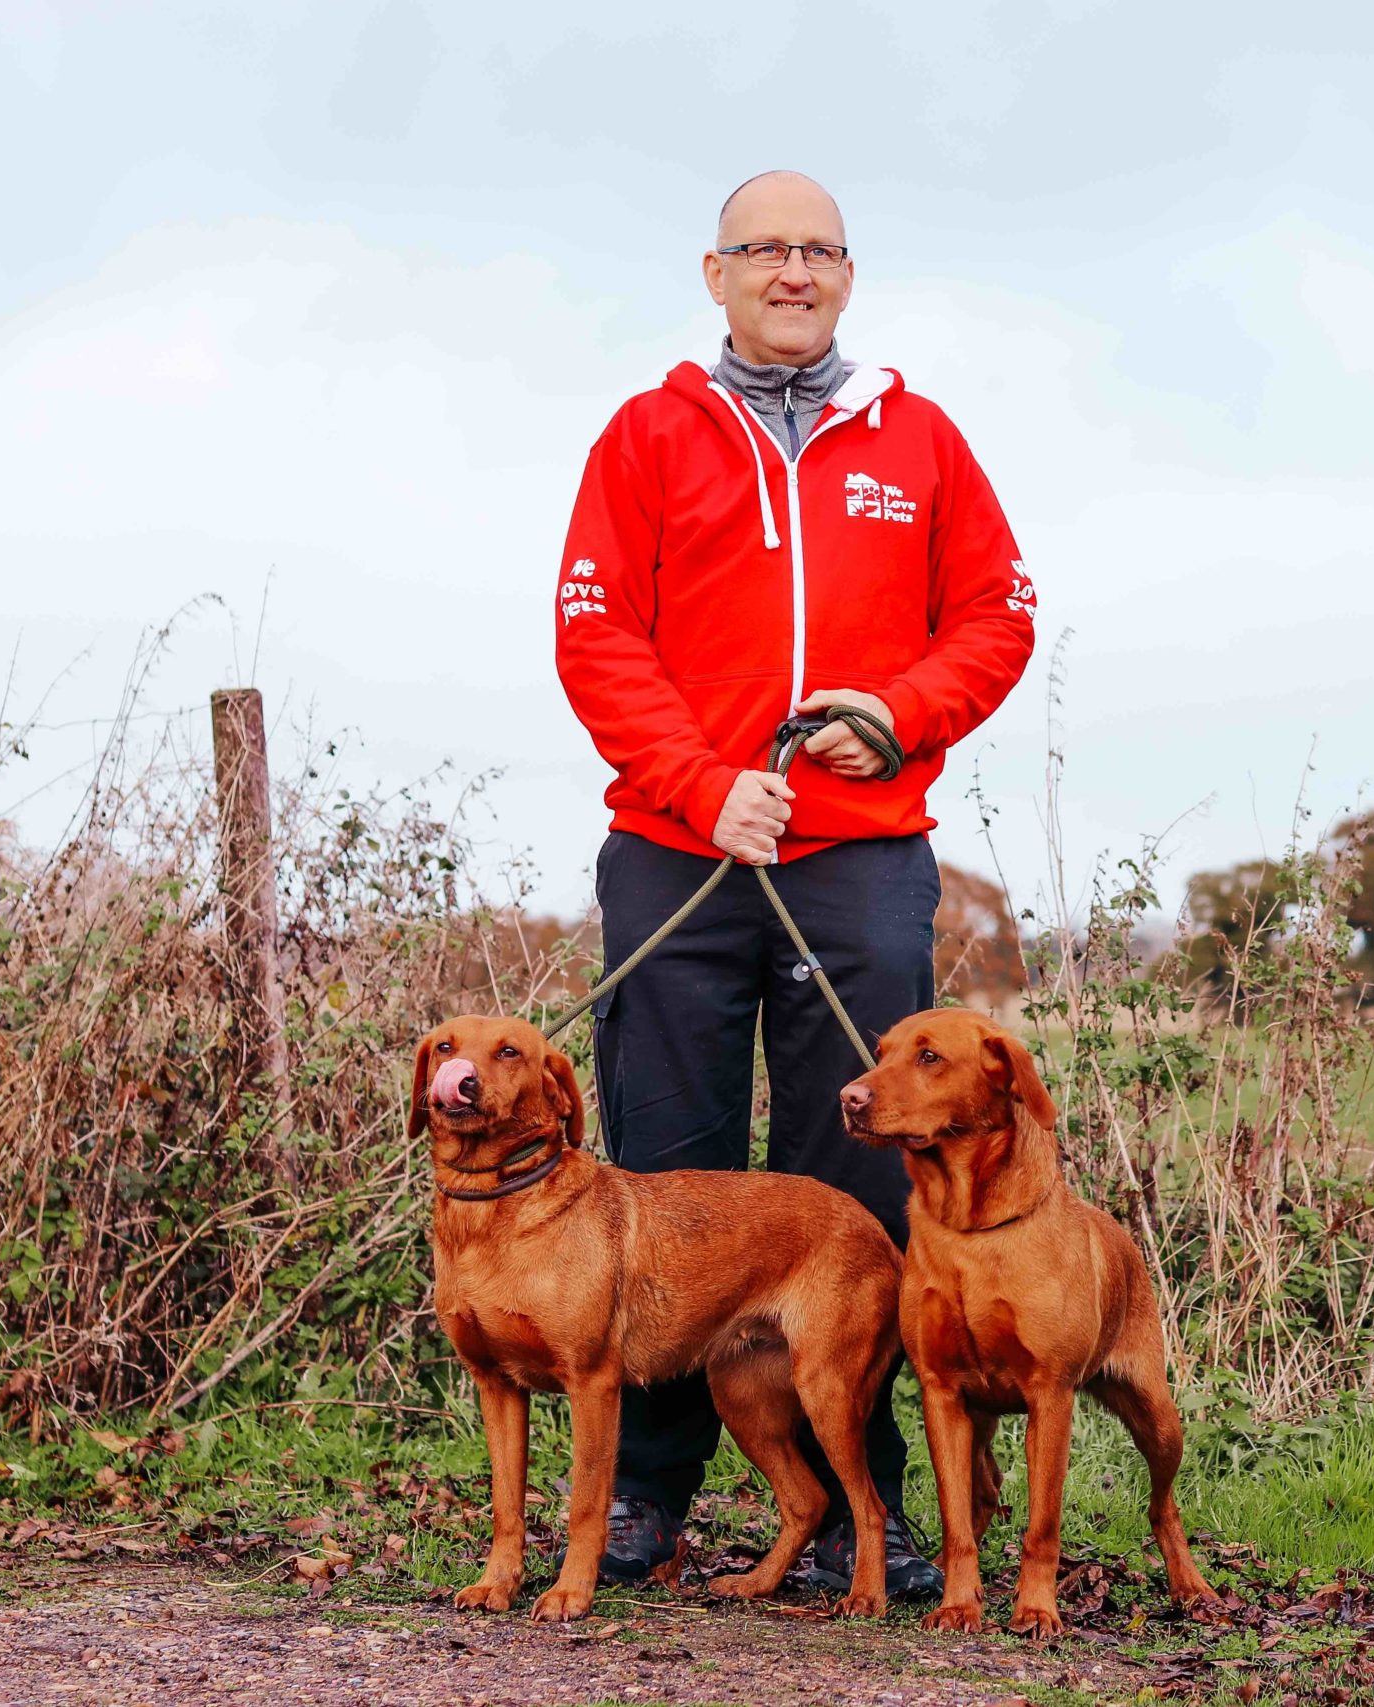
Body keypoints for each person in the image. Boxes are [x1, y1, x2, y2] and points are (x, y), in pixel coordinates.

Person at [553, 170, 1036, 1595]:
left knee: (856, 1176)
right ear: (714, 273)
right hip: (677, 859)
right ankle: (644, 1497)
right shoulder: (647, 436)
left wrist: (897, 712)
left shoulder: (921, 438)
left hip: (862, 868)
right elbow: (596, 637)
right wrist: (709, 785)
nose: (793, 269)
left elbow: (999, 613)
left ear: (847, 274)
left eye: (819, 249)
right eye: (765, 247)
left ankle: (852, 1507)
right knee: (658, 1184)